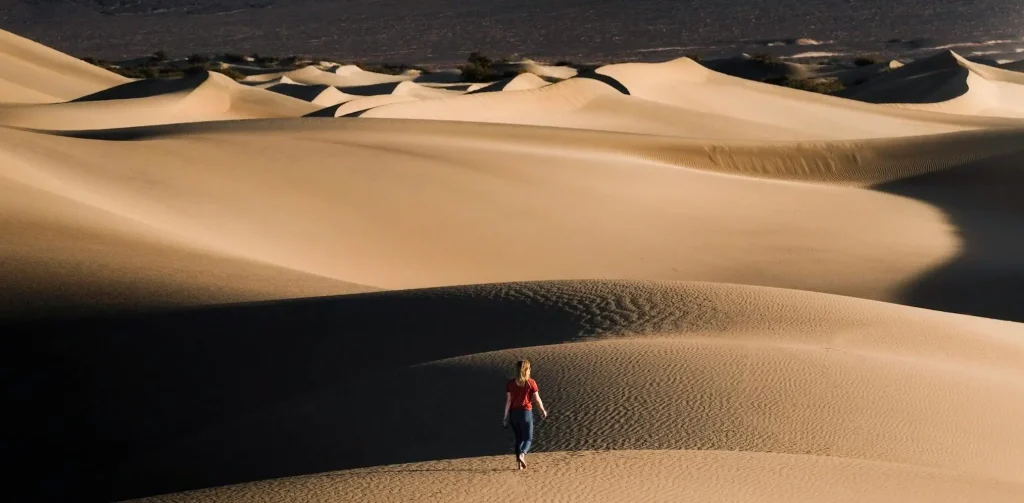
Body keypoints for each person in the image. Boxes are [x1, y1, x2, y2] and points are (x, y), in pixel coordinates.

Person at [502, 359, 549, 470]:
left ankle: (519, 465)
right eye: (529, 368)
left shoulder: (511, 383)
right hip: (525, 413)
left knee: (518, 439)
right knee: (528, 438)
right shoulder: (530, 382)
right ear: (525, 370)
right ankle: (522, 454)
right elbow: (537, 399)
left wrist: (505, 417)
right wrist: (542, 410)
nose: (530, 370)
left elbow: (508, 401)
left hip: (513, 414)